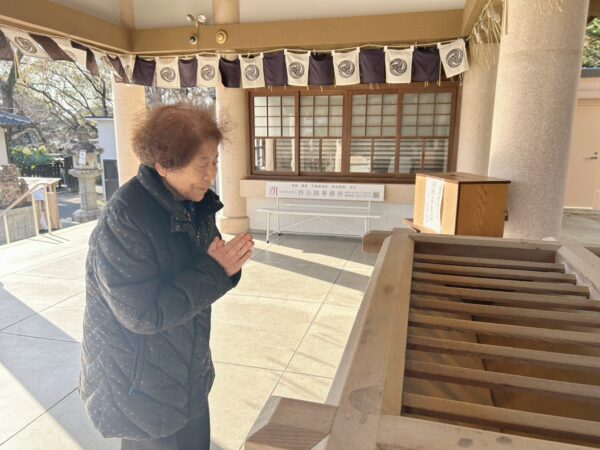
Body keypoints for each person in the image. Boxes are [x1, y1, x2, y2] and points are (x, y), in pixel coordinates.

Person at [79, 103, 253, 450]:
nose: (211, 174)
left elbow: (209, 272)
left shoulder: (196, 204)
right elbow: (141, 314)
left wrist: (222, 269)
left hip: (188, 373)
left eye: (215, 161)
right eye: (202, 164)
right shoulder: (125, 218)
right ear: (163, 165)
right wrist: (216, 271)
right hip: (138, 384)